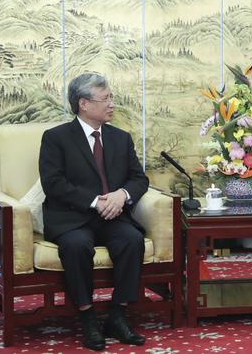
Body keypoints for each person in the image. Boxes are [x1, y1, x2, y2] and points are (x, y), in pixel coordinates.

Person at [39, 73, 149, 350]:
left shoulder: (121, 138)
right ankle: (87, 316)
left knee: (131, 241)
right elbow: (53, 184)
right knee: (76, 246)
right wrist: (95, 201)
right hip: (72, 218)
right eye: (106, 98)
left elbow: (139, 179)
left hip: (113, 216)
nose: (112, 104)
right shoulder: (56, 138)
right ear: (84, 103)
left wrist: (120, 196)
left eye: (111, 97)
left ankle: (117, 315)